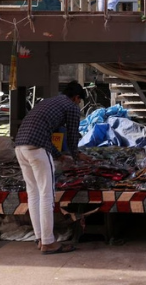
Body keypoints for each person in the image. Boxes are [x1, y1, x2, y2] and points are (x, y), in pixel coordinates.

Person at [14, 81, 91, 254]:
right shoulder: (71, 107)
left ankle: (40, 238)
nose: (78, 104)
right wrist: (77, 155)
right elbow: (72, 135)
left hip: (20, 147)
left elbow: (42, 133)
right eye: (79, 101)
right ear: (76, 97)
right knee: (47, 195)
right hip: (37, 148)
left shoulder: (49, 102)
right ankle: (48, 242)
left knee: (33, 194)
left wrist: (59, 155)